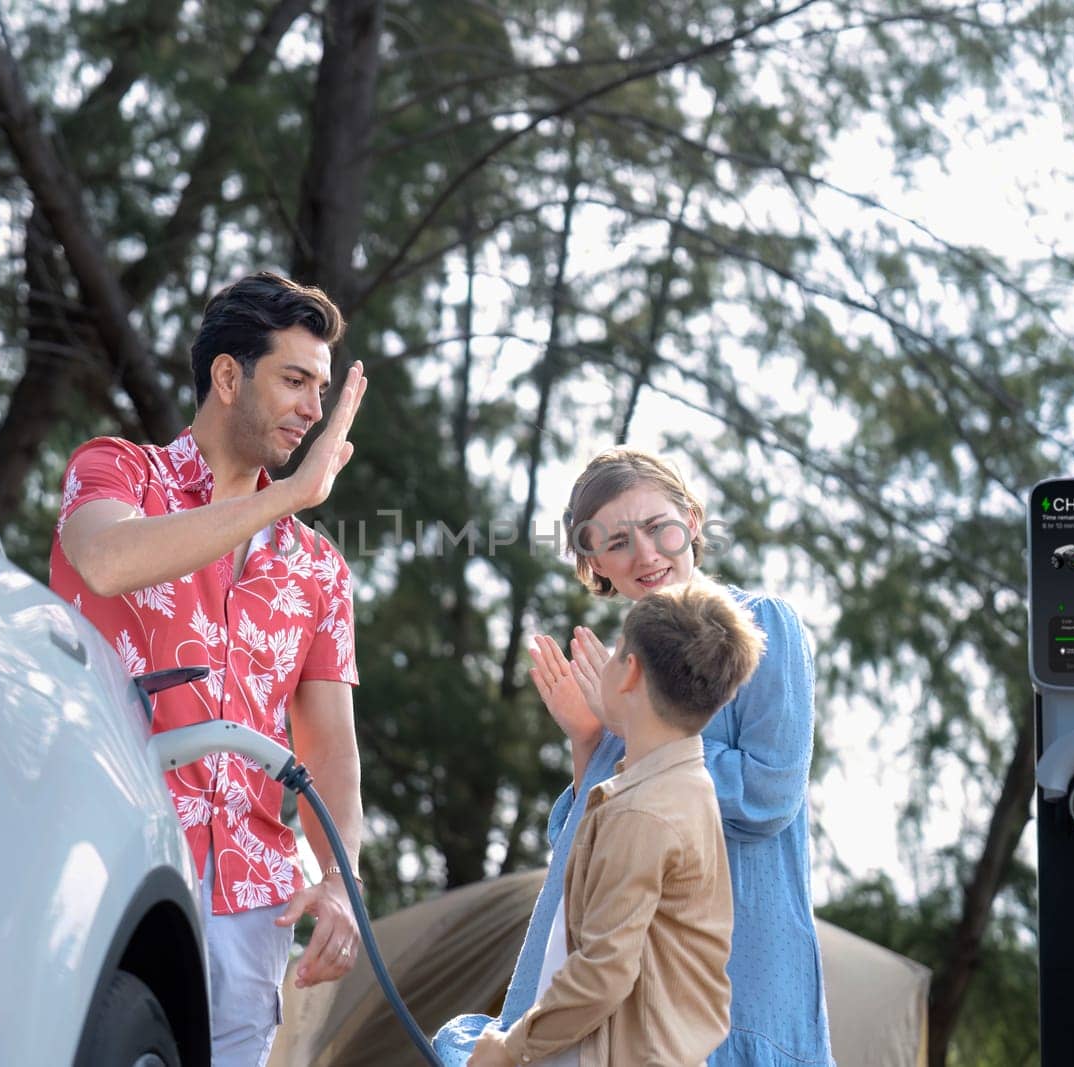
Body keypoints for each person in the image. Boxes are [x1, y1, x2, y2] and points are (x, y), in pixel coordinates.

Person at [50, 272, 370, 1066]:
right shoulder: (118, 472)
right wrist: (285, 497)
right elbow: (104, 559)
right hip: (110, 855)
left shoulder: (319, 570)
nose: (313, 407)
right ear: (228, 377)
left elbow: (330, 750)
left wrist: (340, 880)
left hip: (253, 906)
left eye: (322, 388)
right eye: (294, 379)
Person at [436, 447, 836, 1067]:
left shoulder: (762, 627)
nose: (645, 554)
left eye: (657, 528)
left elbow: (768, 795)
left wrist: (634, 727)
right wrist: (590, 739)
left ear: (693, 522)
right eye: (617, 541)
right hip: (616, 988)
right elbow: (587, 846)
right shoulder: (621, 668)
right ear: (594, 563)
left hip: (734, 973)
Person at [468, 577, 762, 1067]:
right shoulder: (685, 785)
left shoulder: (642, 811)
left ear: (629, 673)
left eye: (615, 651)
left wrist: (508, 1048)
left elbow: (602, 974)